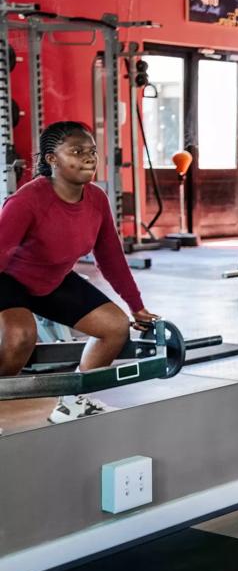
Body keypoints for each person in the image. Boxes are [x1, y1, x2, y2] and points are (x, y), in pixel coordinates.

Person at [0, 121, 158, 424]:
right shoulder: (27, 201)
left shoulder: (97, 200)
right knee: (20, 337)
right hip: (9, 278)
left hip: (52, 280)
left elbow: (111, 257)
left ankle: (72, 403)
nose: (89, 158)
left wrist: (136, 306)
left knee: (114, 327)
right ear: (52, 160)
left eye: (92, 151)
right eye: (77, 151)